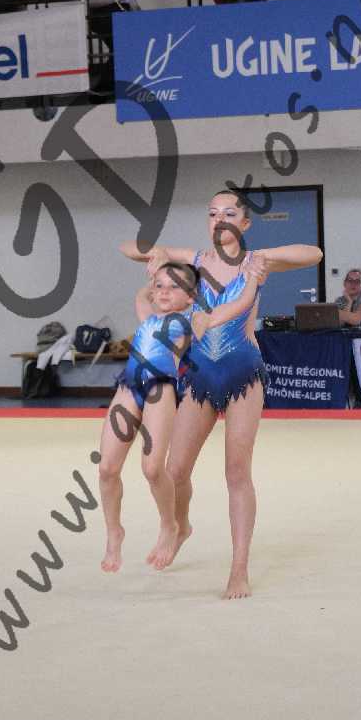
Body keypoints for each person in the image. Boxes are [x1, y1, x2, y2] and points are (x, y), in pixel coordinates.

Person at [121, 191, 323, 599]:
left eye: (230, 213)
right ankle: (179, 526)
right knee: (175, 470)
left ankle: (239, 567)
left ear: (245, 223)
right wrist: (157, 254)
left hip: (242, 374)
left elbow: (313, 254)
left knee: (236, 471)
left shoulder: (254, 262)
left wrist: (264, 257)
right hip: (199, 376)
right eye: (213, 213)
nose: (220, 219)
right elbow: (128, 247)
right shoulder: (196, 260)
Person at [98, 261, 259, 575]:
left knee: (152, 468)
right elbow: (142, 295)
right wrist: (154, 276)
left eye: (174, 287)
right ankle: (114, 531)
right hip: (129, 386)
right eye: (159, 286)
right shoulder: (147, 313)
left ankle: (170, 524)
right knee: (106, 468)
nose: (163, 292)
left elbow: (238, 306)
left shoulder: (196, 319)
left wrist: (252, 280)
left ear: (191, 295)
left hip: (161, 390)